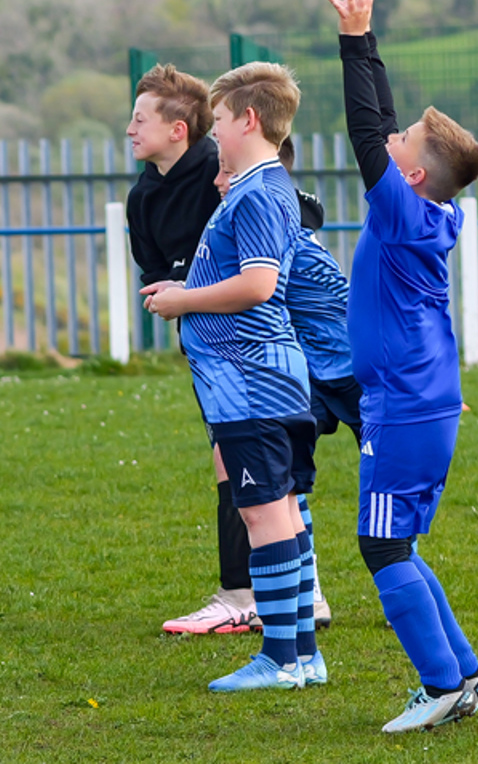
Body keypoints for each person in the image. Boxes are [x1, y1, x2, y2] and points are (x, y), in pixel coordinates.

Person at [325, 0, 478, 732]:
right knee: (400, 545)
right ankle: (465, 675)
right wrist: (367, 46)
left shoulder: (401, 213)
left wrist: (354, 39)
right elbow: (385, 130)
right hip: (424, 404)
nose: (389, 141)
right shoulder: (431, 209)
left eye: (402, 146)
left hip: (402, 408)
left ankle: (440, 686)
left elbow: (367, 132)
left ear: (413, 173)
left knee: (381, 547)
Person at [141, 63, 322, 693]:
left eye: (217, 120)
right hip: (262, 380)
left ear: (248, 120)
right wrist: (185, 288)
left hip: (251, 382)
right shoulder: (258, 187)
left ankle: (280, 658)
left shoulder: (258, 192)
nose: (212, 132)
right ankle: (303, 655)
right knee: (284, 516)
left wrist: (182, 301)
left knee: (264, 518)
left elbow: (259, 285)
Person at [125, 64, 255, 637]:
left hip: (259, 337)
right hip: (206, 345)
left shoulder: (223, 171)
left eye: (140, 119)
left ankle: (242, 595)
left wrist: (189, 291)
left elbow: (279, 236)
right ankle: (289, 592)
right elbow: (156, 278)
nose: (129, 129)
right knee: (243, 460)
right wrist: (174, 295)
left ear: (178, 130)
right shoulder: (141, 198)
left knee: (255, 461)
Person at [277, 136, 358, 630]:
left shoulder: (278, 209)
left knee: (387, 481)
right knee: (286, 476)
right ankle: (310, 594)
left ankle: (403, 584)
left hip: (357, 368)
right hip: (303, 371)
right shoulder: (274, 206)